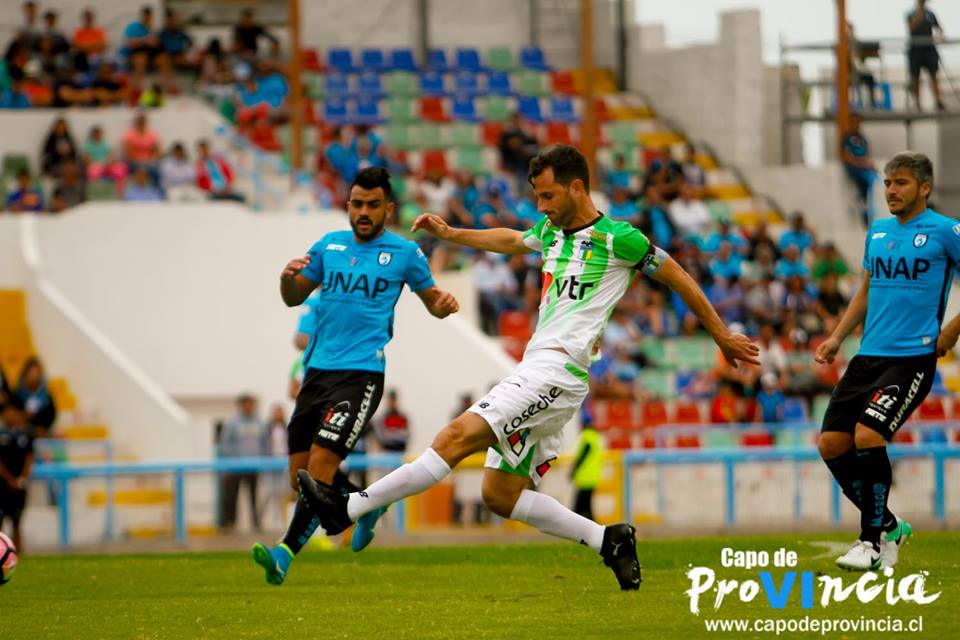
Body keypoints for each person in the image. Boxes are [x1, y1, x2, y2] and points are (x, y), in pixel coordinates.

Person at [298, 145, 759, 590]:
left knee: (454, 437)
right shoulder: (551, 231)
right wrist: (452, 233)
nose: (541, 206)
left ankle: (348, 508)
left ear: (576, 188)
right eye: (537, 196)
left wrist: (720, 334)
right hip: (544, 370)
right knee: (499, 495)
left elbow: (676, 274)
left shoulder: (619, 238)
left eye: (548, 195)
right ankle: (609, 540)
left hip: (557, 370)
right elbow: (512, 239)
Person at [251, 167, 460, 584]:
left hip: (361, 373)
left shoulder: (405, 253)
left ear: (388, 208)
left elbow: (432, 301)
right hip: (316, 371)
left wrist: (443, 305)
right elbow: (293, 297)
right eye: (357, 204)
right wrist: (286, 279)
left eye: (373, 205)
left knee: (321, 465)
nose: (364, 212)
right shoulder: (328, 246)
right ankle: (368, 504)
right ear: (348, 205)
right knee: (299, 477)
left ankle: (284, 553)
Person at [815, 151, 960, 571]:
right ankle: (891, 526)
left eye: (901, 183)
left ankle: (871, 542)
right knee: (831, 445)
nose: (891, 191)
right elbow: (865, 291)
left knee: (868, 435)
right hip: (868, 356)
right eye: (887, 183)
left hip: (912, 358)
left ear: (924, 188)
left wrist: (951, 330)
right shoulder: (877, 232)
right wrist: (837, 337)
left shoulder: (946, 231)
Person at [219, 394, 268, 531]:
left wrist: (262, 459)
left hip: (254, 466)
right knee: (231, 496)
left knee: (255, 496)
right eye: (246, 404)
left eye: (251, 404)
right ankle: (229, 523)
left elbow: (264, 443)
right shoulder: (233, 422)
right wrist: (231, 461)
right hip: (236, 467)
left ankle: (256, 523)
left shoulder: (260, 422)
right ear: (241, 405)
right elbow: (225, 443)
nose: (248, 407)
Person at [0, 407, 33, 552]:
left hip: (19, 485)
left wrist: (22, 478)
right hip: (2, 485)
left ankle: (18, 553)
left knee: (17, 522)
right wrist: (9, 479)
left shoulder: (24, 436)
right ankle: (2, 553)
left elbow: (29, 457)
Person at [906, 0, 945, 111]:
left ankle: (938, 101)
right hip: (915, 50)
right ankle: (917, 102)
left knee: (933, 75)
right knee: (915, 77)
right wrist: (919, 15)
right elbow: (911, 28)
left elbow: (939, 28)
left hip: (929, 49)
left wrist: (940, 36)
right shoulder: (911, 14)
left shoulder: (930, 14)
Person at [842, 113, 876, 225]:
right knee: (863, 179)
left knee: (871, 179)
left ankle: (865, 210)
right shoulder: (847, 138)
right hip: (855, 168)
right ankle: (860, 202)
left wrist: (868, 164)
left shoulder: (863, 139)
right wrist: (860, 163)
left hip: (863, 168)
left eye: (858, 122)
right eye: (853, 122)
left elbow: (867, 155)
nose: (856, 124)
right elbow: (846, 156)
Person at [570, 414, 602, 520]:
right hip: (593, 476)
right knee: (586, 505)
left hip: (584, 476)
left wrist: (573, 470)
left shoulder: (586, 436)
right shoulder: (595, 436)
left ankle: (576, 523)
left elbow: (582, 456)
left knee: (579, 506)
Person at [13, 358, 56, 438]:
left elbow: (51, 415)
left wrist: (42, 428)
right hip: (21, 433)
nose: (35, 375)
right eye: (32, 372)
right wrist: (23, 415)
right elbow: (12, 415)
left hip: (41, 433)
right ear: (25, 374)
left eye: (37, 372)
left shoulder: (45, 396)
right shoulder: (17, 394)